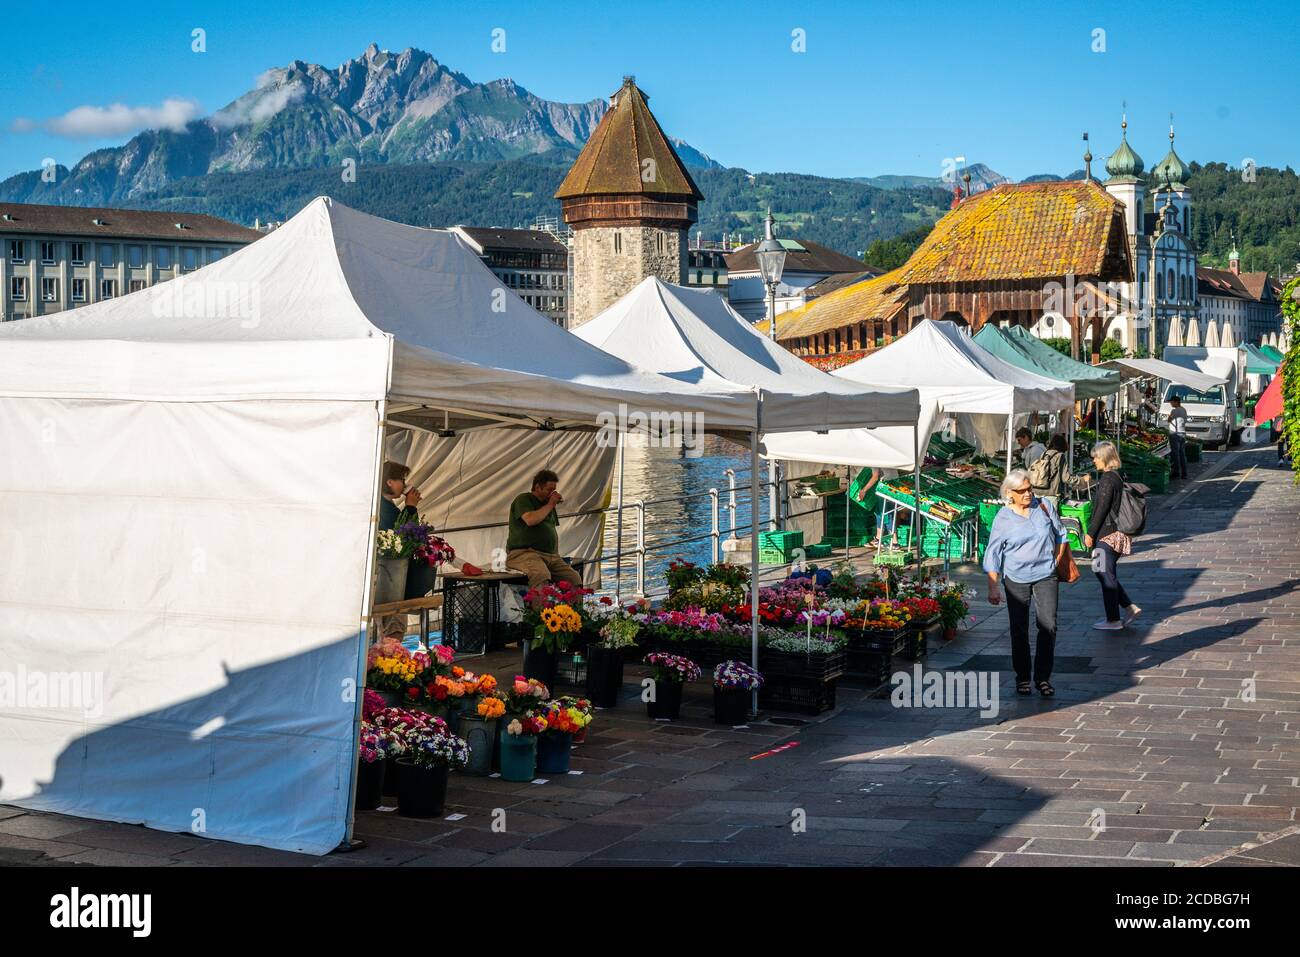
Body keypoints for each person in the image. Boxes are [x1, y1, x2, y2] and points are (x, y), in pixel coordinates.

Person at [983, 468, 1069, 697]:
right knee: (1019, 630)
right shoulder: (1003, 517)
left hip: (1045, 575)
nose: (1028, 494)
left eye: (1030, 488)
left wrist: (1057, 558)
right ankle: (1022, 677)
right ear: (1010, 493)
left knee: (1048, 626)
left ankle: (1043, 678)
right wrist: (993, 586)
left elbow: (1062, 533)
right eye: (1022, 491)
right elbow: (993, 553)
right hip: (1016, 579)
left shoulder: (1044, 506)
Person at [1084, 440, 1141, 631]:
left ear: (1105, 457)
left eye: (1096, 457)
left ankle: (1114, 619)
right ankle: (1127, 608)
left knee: (1102, 572)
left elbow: (1102, 508)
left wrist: (1090, 533)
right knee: (1106, 573)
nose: (1094, 461)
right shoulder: (1116, 476)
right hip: (1116, 535)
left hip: (1106, 535)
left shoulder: (1108, 479)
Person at [507, 469, 584, 593]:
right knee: (541, 575)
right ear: (537, 487)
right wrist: (551, 504)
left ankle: (571, 612)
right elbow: (530, 520)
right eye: (549, 490)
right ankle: (541, 612)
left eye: (553, 490)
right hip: (524, 553)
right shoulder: (524, 499)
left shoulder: (547, 505)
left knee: (574, 578)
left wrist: (555, 554)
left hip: (550, 556)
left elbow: (551, 531)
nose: (551, 494)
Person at [1029, 434, 1068, 503]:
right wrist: (1080, 480)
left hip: (1038, 491)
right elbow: (1065, 478)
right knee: (1051, 513)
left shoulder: (1044, 453)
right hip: (1051, 494)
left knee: (1040, 513)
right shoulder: (1060, 456)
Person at [1165, 395, 1189, 480]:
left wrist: (1169, 416)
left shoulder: (1174, 411)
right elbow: (1185, 421)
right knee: (1182, 454)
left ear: (1176, 402)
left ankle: (1176, 472)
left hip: (1175, 434)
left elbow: (1169, 420)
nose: (1171, 403)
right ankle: (1184, 473)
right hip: (1182, 433)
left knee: (1175, 454)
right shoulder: (1184, 410)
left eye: (1171, 402)